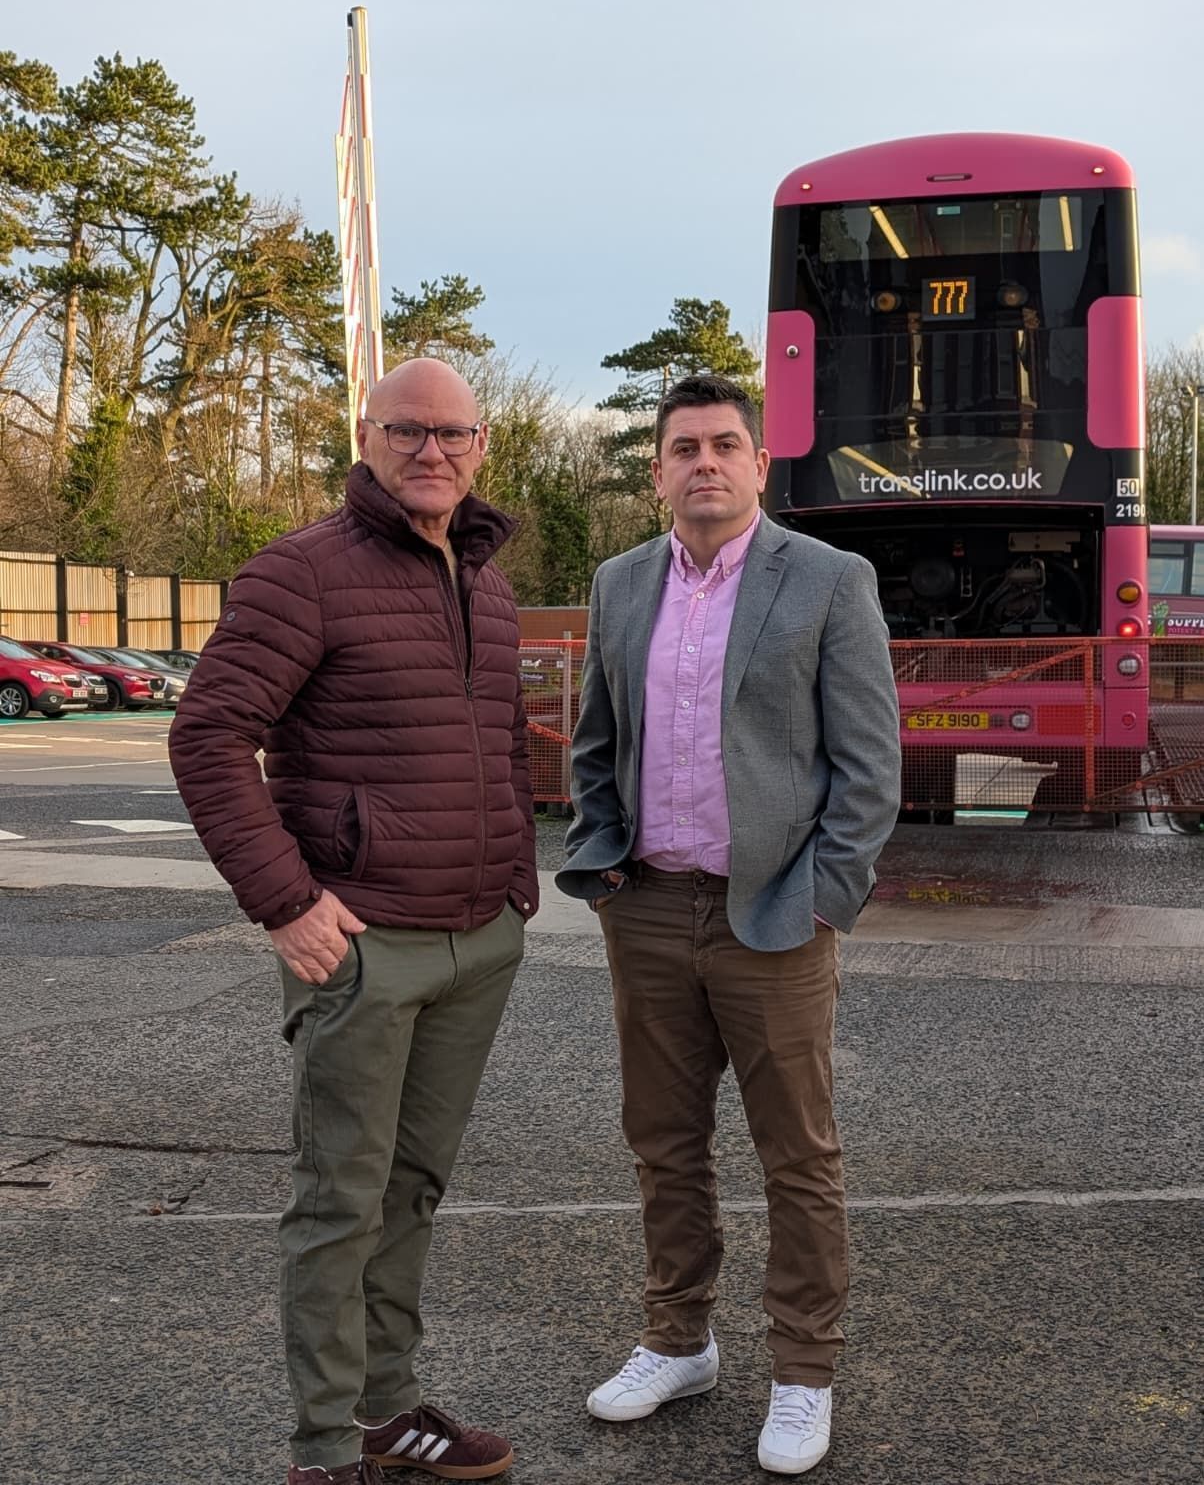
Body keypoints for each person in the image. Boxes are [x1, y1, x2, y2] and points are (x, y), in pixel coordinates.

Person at [169, 358, 536, 1485]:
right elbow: (208, 738)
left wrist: (517, 882)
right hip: (364, 944)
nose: (432, 451)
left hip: (478, 939)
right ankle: (325, 1448)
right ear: (367, 437)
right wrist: (285, 902)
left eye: (453, 433)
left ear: (482, 445)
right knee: (340, 1198)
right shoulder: (303, 573)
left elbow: (503, 745)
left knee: (411, 1188)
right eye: (407, 430)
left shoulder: (488, 582)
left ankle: (387, 1409)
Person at [556, 374, 900, 1475]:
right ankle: (678, 1339)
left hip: (776, 916)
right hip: (647, 905)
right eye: (683, 447)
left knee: (797, 1155)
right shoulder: (619, 583)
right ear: (656, 470)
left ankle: (803, 1371)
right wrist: (600, 859)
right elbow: (594, 744)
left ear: (758, 466)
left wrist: (824, 898)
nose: (704, 462)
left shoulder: (829, 580)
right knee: (664, 1144)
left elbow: (867, 767)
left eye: (724, 445)